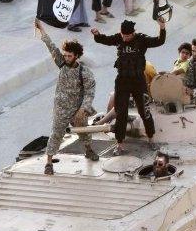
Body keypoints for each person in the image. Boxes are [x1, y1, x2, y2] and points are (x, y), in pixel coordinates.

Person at [35, 19, 99, 175]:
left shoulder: (83, 72)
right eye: (65, 55)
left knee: (83, 131)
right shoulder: (62, 63)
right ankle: (49, 163)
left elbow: (90, 91)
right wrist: (41, 29)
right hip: (61, 109)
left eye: (69, 56)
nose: (66, 58)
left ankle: (89, 150)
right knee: (56, 133)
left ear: (76, 56)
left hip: (77, 110)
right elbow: (51, 46)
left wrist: (83, 109)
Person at [91, 19, 166, 153]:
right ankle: (119, 144)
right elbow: (105, 40)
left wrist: (162, 27)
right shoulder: (119, 38)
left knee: (144, 111)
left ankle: (151, 139)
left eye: (128, 36)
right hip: (122, 81)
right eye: (123, 35)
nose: (125, 38)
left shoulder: (142, 40)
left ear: (133, 33)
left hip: (138, 81)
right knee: (121, 113)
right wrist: (97, 34)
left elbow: (159, 41)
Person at [94, 60, 156, 125]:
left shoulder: (146, 68)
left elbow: (155, 83)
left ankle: (103, 122)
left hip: (146, 96)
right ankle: (107, 121)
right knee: (114, 96)